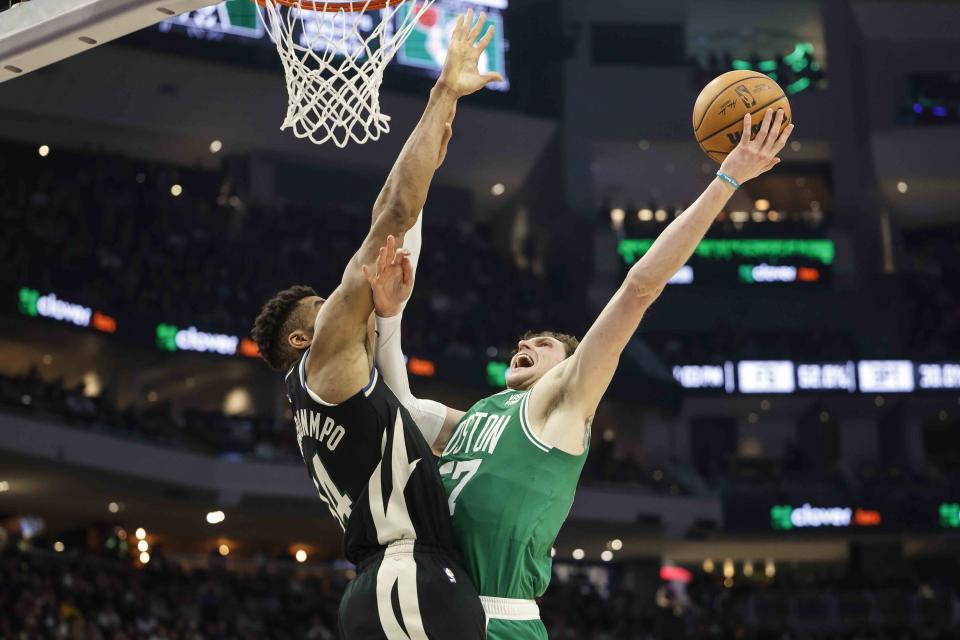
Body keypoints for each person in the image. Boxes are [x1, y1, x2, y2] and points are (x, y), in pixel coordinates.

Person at [365, 108, 795, 639]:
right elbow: (397, 407)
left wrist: (726, 179)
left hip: (500, 621)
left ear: (569, 367)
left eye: (542, 345)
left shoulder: (562, 404)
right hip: (437, 614)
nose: (525, 343)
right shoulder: (477, 416)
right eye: (525, 340)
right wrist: (390, 313)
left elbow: (639, 287)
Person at [250, 11, 502, 638]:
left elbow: (395, 215)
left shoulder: (352, 398)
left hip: (401, 580)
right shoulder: (325, 366)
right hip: (403, 580)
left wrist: (434, 144)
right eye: (329, 306)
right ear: (303, 339)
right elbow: (392, 211)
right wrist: (443, 92)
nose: (347, 306)